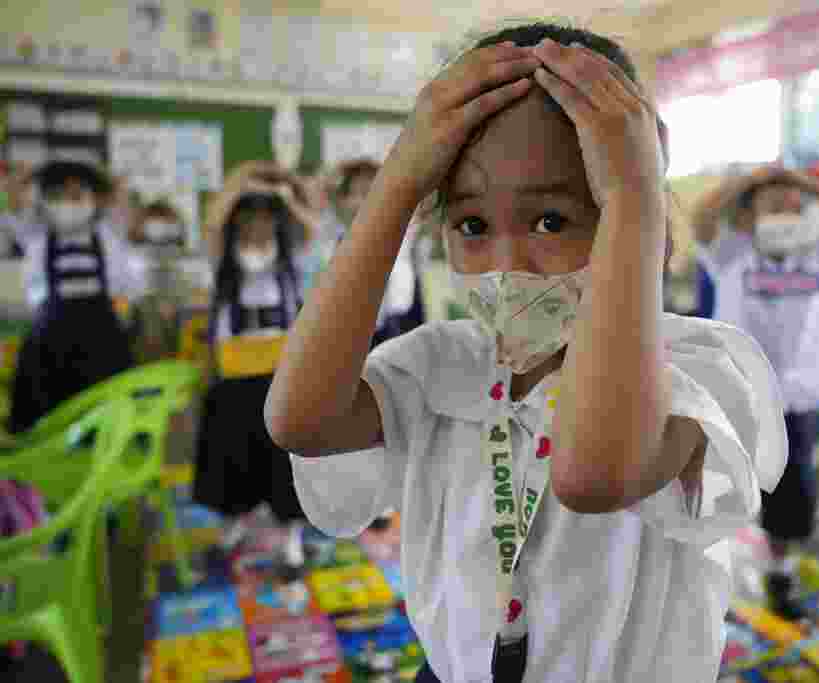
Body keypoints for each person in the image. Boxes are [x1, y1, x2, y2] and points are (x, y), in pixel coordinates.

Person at [266, 23, 788, 683]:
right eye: (472, 226)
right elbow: (300, 420)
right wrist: (395, 186)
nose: (507, 264)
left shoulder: (699, 367)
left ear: (636, 220)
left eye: (552, 221)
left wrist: (633, 194)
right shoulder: (446, 361)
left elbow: (592, 472)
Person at [692, 165, 819, 618]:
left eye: (795, 205)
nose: (787, 210)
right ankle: (705, 577)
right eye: (774, 204)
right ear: (749, 217)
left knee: (790, 498)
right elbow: (702, 218)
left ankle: (780, 573)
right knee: (719, 487)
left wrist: (808, 184)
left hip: (799, 397)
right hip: (739, 391)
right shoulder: (732, 252)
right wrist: (752, 181)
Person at [193, 161, 318, 539]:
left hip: (281, 375)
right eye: (248, 217)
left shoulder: (292, 262)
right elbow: (212, 223)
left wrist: (287, 192)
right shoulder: (222, 262)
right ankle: (235, 517)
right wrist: (240, 182)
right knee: (232, 452)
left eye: (266, 217)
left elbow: (313, 226)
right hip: (234, 375)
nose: (257, 225)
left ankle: (291, 531)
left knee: (284, 458)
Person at [7, 161, 137, 433]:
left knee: (105, 416)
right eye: (59, 196)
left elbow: (119, 198)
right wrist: (28, 174)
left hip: (103, 341)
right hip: (49, 345)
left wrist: (100, 177)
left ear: (95, 200)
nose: (69, 202)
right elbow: (15, 200)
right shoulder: (36, 234)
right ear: (45, 201)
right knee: (45, 417)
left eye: (77, 195)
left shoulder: (109, 233)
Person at [326, 158, 426, 348]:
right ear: (344, 201)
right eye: (353, 194)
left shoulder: (403, 230)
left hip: (398, 333)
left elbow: (419, 191)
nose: (361, 201)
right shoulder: (339, 242)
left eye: (368, 192)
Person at [124, 199, 192, 362]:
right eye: (155, 223)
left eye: (167, 224)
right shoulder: (133, 257)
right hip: (145, 330)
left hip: (180, 329)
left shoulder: (182, 259)